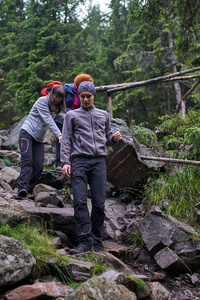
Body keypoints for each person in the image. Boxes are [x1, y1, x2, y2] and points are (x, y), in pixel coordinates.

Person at [61, 79, 122, 254]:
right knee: (79, 201)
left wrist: (114, 139)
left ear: (93, 96)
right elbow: (66, 140)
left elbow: (108, 137)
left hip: (98, 162)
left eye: (88, 96)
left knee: (99, 204)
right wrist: (65, 161)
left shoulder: (103, 115)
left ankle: (97, 241)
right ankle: (84, 241)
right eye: (82, 96)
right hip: (79, 162)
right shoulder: (71, 116)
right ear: (79, 97)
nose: (86, 99)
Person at [17, 85, 66, 198]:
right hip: (27, 133)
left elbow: (65, 118)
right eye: (55, 95)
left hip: (39, 139)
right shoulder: (42, 101)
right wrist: (59, 134)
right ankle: (22, 188)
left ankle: (28, 190)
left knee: (39, 167)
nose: (57, 98)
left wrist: (78, 122)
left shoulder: (56, 108)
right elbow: (48, 120)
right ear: (52, 93)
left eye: (60, 97)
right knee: (27, 161)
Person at [54, 74, 94, 168]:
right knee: (61, 140)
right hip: (61, 117)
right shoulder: (67, 89)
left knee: (73, 140)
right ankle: (59, 163)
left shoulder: (83, 94)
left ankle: (71, 162)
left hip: (74, 119)